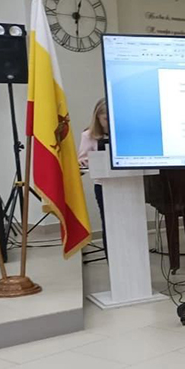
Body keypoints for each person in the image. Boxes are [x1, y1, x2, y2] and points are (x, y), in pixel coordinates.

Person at [77, 98, 109, 254]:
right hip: (103, 185)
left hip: (128, 184)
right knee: (108, 224)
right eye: (106, 119)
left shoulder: (123, 132)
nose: (109, 123)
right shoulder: (88, 135)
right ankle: (111, 259)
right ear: (98, 118)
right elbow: (82, 160)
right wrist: (91, 161)